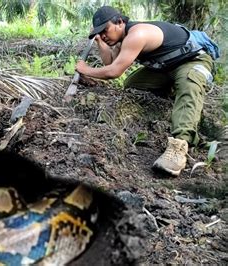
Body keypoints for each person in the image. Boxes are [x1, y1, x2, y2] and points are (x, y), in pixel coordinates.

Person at [76, 6, 217, 176]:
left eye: (105, 30)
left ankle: (179, 146)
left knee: (189, 84)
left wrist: (85, 69)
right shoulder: (122, 38)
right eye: (101, 32)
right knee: (133, 84)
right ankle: (171, 94)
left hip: (191, 60)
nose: (104, 35)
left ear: (120, 22)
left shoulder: (137, 34)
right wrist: (100, 41)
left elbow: (114, 72)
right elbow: (110, 62)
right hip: (165, 67)